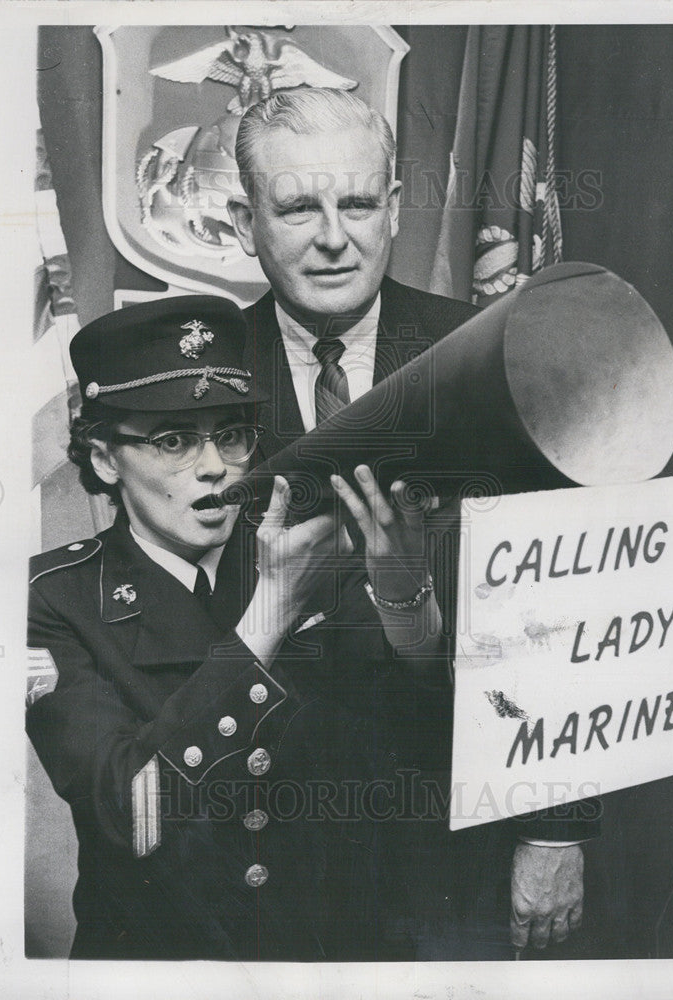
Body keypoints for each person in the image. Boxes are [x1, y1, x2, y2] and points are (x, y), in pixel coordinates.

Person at [227, 87, 595, 955]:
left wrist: (555, 827)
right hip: (251, 850)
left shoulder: (495, 362)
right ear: (247, 222)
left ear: (393, 206)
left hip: (446, 846)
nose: (332, 236)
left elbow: (568, 613)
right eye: (296, 207)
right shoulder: (190, 380)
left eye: (357, 202)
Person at [26, 295, 445, 960]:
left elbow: (414, 732)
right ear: (104, 459)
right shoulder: (53, 599)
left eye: (230, 434)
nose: (214, 466)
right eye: (172, 440)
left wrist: (403, 596)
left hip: (327, 959)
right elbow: (127, 814)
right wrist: (270, 613)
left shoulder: (305, 557)